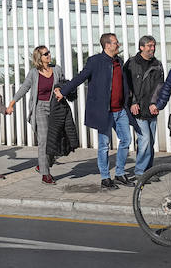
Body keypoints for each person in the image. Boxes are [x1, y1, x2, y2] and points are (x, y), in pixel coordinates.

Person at [57, 32, 134, 189]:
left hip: (120, 110)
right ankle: (105, 177)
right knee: (104, 144)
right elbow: (80, 77)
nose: (118, 45)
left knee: (126, 140)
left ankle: (119, 173)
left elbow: (125, 84)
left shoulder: (119, 61)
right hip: (104, 111)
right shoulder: (95, 61)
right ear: (107, 45)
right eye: (115, 43)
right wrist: (64, 91)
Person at [9, 45, 67, 184]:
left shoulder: (57, 69)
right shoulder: (34, 73)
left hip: (55, 107)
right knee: (44, 140)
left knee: (57, 140)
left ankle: (42, 164)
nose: (48, 55)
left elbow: (63, 84)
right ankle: (45, 174)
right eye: (45, 54)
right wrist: (12, 103)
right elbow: (24, 88)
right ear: (39, 58)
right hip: (40, 108)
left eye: (49, 52)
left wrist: (62, 91)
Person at [124, 35, 165, 179]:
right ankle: (140, 172)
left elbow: (160, 86)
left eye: (153, 46)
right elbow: (126, 85)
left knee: (151, 141)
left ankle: (149, 171)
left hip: (152, 109)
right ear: (141, 47)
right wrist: (132, 102)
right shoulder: (131, 63)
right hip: (138, 109)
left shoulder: (157, 64)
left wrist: (155, 103)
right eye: (149, 46)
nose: (152, 49)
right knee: (145, 139)